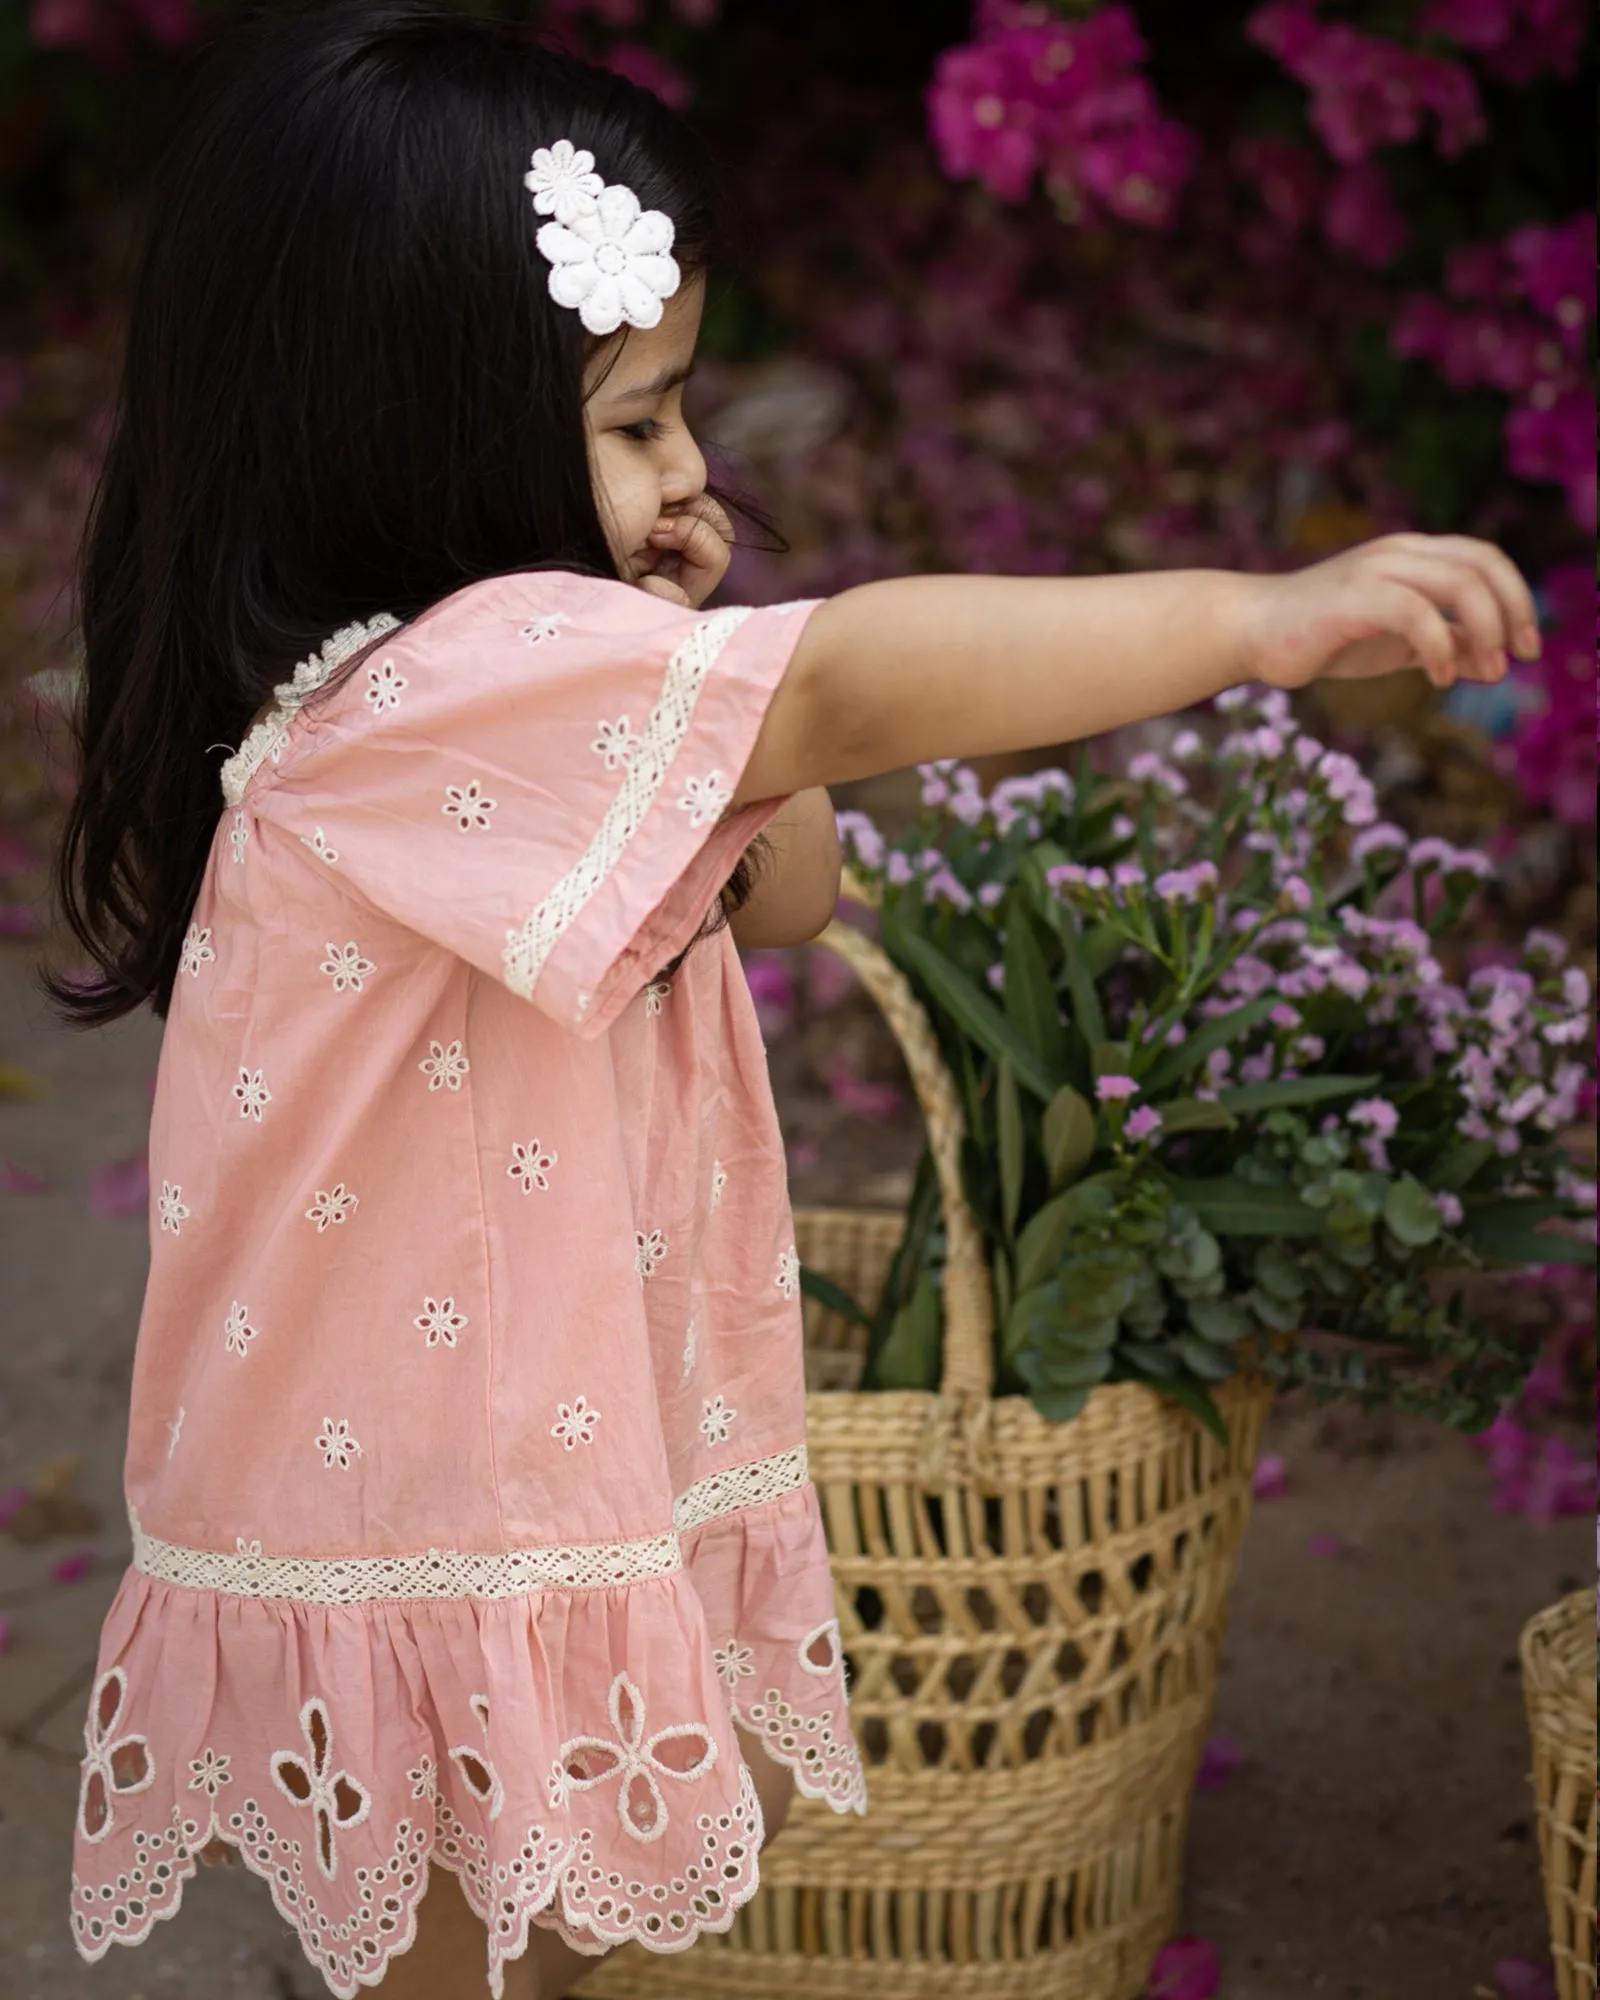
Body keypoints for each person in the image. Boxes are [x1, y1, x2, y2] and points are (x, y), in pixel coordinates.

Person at [46, 4, 1535, 1997]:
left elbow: (787, 879)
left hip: (499, 1461)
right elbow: (838, 677)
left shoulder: (523, 695)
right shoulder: (437, 692)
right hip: (421, 1491)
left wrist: (695, 687)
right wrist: (1247, 625)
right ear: (425, 426)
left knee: (527, 1936)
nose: (685, 466)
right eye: (637, 418)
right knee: (464, 1950)